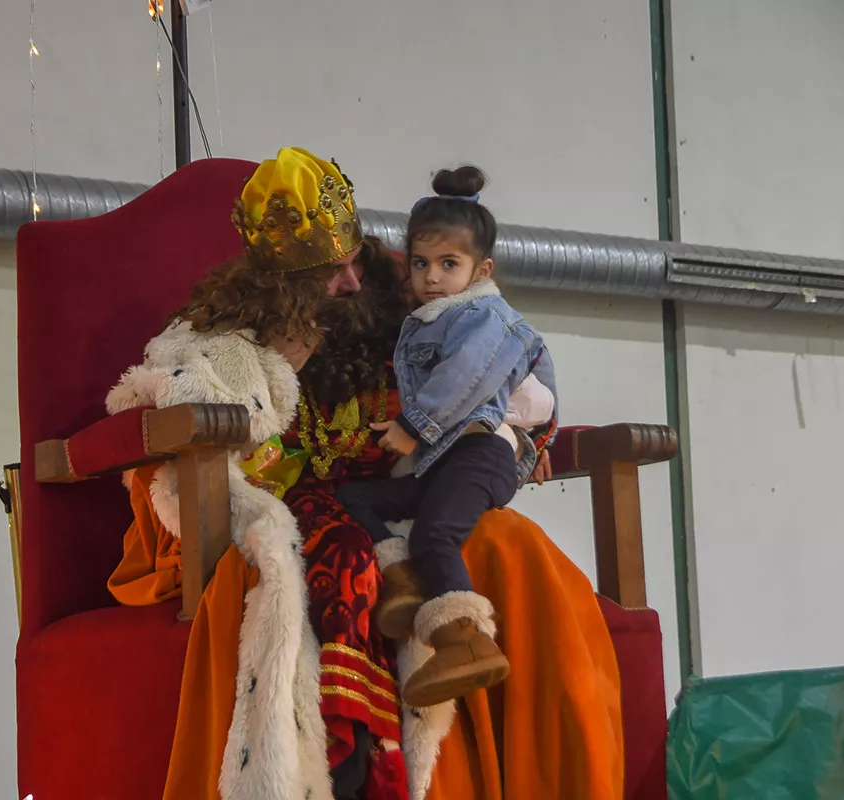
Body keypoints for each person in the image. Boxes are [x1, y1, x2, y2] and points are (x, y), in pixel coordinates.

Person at [108, 147, 624, 800]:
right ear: (281, 285)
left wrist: (518, 437)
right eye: (332, 274)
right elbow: (192, 414)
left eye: (356, 261)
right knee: (306, 567)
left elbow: (493, 364)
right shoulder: (229, 343)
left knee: (514, 548)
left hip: (416, 484)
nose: (355, 282)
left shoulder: (405, 301)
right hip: (293, 505)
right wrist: (281, 373)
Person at [335, 165, 558, 710]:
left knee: (436, 530)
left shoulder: (485, 316)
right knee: (354, 497)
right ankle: (403, 579)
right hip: (447, 457)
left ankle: (467, 644)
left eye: (448, 264)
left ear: (481, 269)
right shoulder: (432, 316)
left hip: (480, 453)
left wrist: (415, 427)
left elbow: (471, 375)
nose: (431, 276)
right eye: (420, 263)